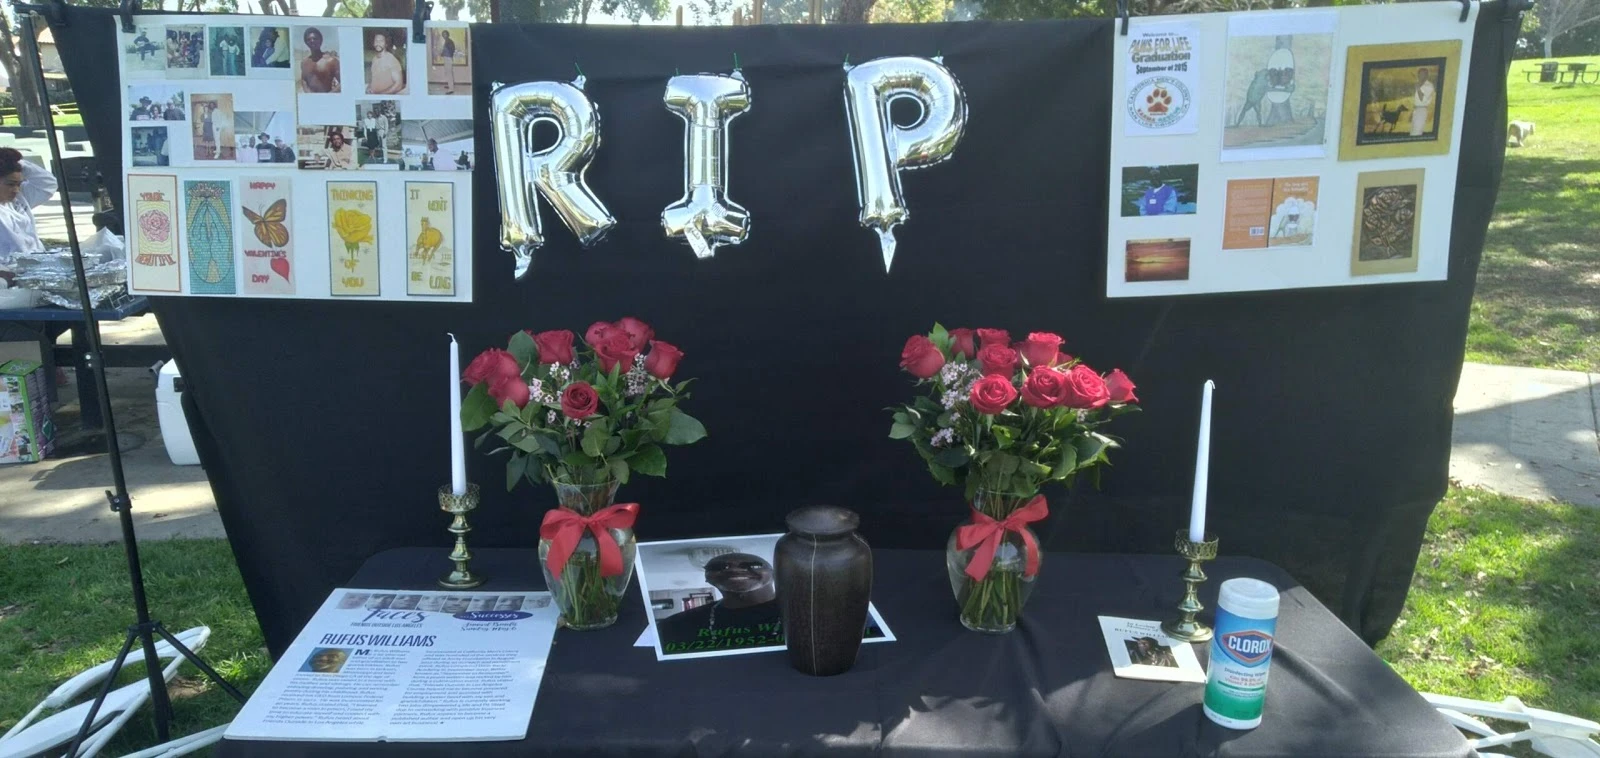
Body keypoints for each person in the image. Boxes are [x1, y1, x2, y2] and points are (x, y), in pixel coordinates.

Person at [654, 553, 783, 651]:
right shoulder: (673, 626)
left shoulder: (795, 611)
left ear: (774, 574)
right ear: (707, 578)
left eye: (753, 565)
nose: (733, 570)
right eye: (718, 567)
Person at [0, 149, 59, 255]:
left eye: (19, 184)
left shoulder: (19, 197)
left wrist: (15, 163)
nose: (16, 190)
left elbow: (48, 183)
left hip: (37, 259)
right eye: (10, 184)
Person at [299, 27, 340, 93]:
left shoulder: (332, 61)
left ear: (321, 40)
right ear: (306, 43)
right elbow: (304, 80)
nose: (312, 41)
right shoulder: (304, 63)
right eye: (309, 39)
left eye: (315, 38)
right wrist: (308, 94)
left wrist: (327, 96)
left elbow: (342, 83)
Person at [1410, 67, 1435, 137]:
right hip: (1416, 110)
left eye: (1422, 74)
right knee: (1412, 133)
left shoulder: (1429, 86)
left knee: (1416, 133)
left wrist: (1418, 88)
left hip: (1421, 110)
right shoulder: (1419, 84)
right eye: (1419, 74)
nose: (1419, 76)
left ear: (1426, 75)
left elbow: (1422, 99)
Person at [438, 30, 457, 94]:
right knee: (448, 73)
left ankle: (451, 89)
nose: (444, 35)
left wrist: (444, 53)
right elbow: (446, 50)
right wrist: (442, 53)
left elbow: (451, 50)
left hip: (448, 59)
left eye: (445, 34)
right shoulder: (447, 41)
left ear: (448, 34)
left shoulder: (449, 41)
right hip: (447, 58)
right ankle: (450, 85)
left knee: (449, 73)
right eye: (443, 34)